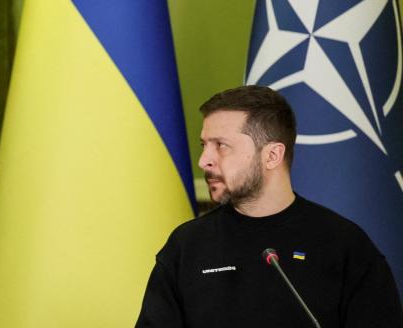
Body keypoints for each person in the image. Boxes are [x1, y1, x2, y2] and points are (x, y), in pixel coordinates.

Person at [136, 85, 402, 327]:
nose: (204, 161)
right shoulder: (186, 246)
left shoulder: (345, 246)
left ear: (272, 155)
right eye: (204, 146)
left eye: (222, 146)